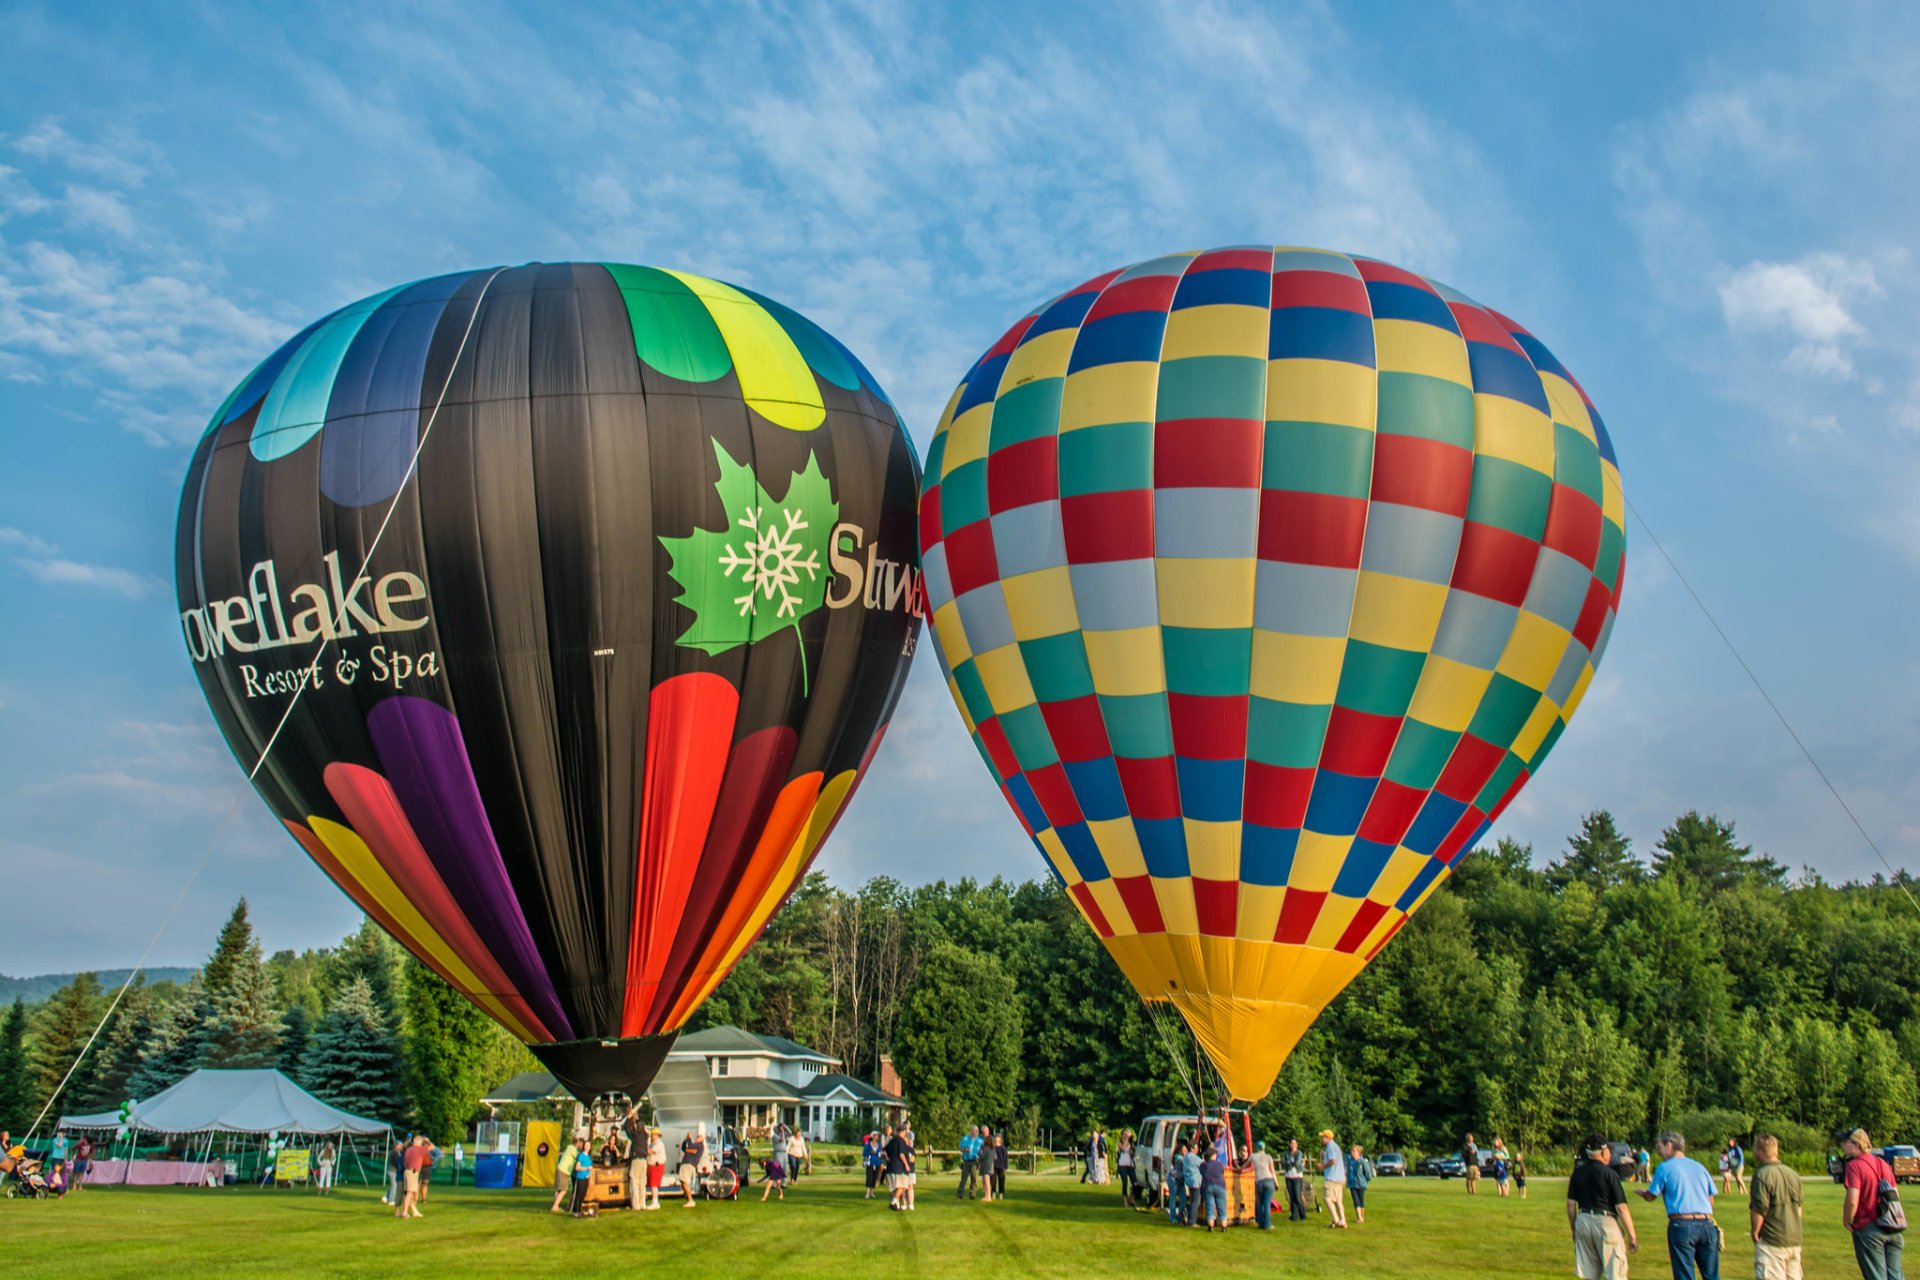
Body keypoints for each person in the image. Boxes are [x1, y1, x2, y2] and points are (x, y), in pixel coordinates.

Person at [1638, 1130, 1719, 1280]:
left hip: (1682, 1224)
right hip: (1707, 1224)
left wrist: (1643, 1193)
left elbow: (1652, 1195)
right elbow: (1711, 1197)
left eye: (1659, 1147)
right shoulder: (1699, 1166)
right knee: (1711, 1275)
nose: (1659, 1152)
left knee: (1684, 1275)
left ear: (1669, 1145)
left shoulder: (1664, 1167)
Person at [1568, 1133, 1639, 1280]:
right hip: (1605, 1222)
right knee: (1615, 1273)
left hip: (1583, 1221)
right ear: (1603, 1152)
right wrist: (1632, 1235)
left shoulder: (1577, 1173)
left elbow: (1571, 1204)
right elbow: (1621, 1208)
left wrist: (1574, 1228)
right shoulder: (1610, 1174)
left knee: (1589, 1274)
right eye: (1608, 1152)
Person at [1840, 1128, 1905, 1280]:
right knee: (1895, 1276)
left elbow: (1852, 1199)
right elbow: (1896, 1195)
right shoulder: (1883, 1163)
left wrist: (1847, 1220)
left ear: (1856, 1144)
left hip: (1870, 1229)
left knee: (1877, 1276)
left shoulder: (1854, 1166)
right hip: (1893, 1227)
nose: (1842, 1145)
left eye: (1845, 1142)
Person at [1748, 1133, 1803, 1280]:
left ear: (1760, 1151)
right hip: (1794, 1239)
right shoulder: (1793, 1174)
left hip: (1772, 1240)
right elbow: (1798, 1209)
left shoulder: (1762, 1174)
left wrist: (1755, 1232)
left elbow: (1759, 1208)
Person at [1319, 1128, 1348, 1228]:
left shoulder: (1330, 1146)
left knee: (1327, 1198)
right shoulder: (1335, 1146)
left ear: (1327, 1138)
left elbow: (1333, 1161)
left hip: (1332, 1177)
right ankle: (1343, 1220)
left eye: (1323, 1137)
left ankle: (1336, 1220)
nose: (1321, 1139)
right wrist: (1324, 1155)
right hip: (1340, 1177)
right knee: (1338, 1201)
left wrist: (1322, 1166)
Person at [398, 1134, 431, 1220]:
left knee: (409, 1193)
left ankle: (414, 1212)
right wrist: (426, 1141)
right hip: (413, 1172)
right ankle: (405, 1212)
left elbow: (405, 1162)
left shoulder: (408, 1150)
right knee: (409, 1193)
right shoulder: (419, 1149)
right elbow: (432, 1147)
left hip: (407, 1171)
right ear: (420, 1142)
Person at [1250, 1140, 1277, 1231]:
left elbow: (1245, 1166)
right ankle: (1267, 1225)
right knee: (1267, 1203)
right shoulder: (1268, 1157)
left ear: (1256, 1147)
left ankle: (1261, 1223)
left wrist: (1239, 1168)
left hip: (1259, 1182)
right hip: (1269, 1181)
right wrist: (1276, 1183)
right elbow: (1272, 1171)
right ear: (1264, 1147)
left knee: (1260, 1203)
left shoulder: (1253, 1156)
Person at [1200, 1142, 1228, 1232]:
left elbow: (1202, 1173)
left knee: (1210, 1207)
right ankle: (1223, 1227)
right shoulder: (1219, 1164)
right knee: (1222, 1207)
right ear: (1212, 1155)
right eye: (1215, 1154)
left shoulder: (1203, 1165)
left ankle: (1210, 1227)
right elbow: (1222, 1172)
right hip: (1220, 1186)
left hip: (1208, 1186)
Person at [884, 1122, 912, 1210]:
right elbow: (901, 1154)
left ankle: (896, 1205)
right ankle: (893, 1203)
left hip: (890, 1167)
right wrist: (906, 1165)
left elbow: (884, 1150)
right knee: (902, 1186)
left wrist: (887, 1158)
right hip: (899, 1168)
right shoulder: (901, 1141)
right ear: (903, 1131)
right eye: (906, 1130)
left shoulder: (892, 1140)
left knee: (893, 1188)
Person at [551, 1132, 579, 1214]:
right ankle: (555, 1206)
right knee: (564, 1190)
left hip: (560, 1169)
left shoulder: (569, 1147)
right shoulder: (572, 1149)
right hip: (564, 1171)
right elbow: (579, 1157)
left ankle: (555, 1205)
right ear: (577, 1143)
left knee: (559, 1189)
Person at [1348, 1142, 1374, 1224]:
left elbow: (1368, 1174)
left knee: (1360, 1200)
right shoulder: (1350, 1161)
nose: (1352, 1152)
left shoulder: (1362, 1162)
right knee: (1356, 1200)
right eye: (1351, 1150)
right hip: (1352, 1184)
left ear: (1358, 1152)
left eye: (1353, 1150)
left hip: (1361, 1184)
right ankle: (1359, 1217)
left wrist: (1364, 1181)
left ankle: (1361, 1217)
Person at [1284, 1137, 1308, 1221]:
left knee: (1298, 1197)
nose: (1293, 1145)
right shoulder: (1286, 1153)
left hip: (1297, 1176)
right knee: (1292, 1197)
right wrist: (1290, 1163)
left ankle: (1303, 1215)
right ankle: (1294, 1216)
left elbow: (1297, 1163)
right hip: (1288, 1176)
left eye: (1294, 1143)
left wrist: (1289, 1163)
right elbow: (1284, 1162)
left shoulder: (1299, 1153)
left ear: (1297, 1145)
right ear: (1289, 1144)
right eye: (1292, 1143)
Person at [1181, 1137, 1204, 1227]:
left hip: (1189, 1181)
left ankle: (1186, 1214)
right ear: (1192, 1149)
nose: (1197, 1149)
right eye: (1196, 1148)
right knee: (1196, 1202)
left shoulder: (1186, 1156)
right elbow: (1203, 1164)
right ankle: (1192, 1221)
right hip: (1195, 1181)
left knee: (1192, 1200)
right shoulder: (1193, 1157)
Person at [570, 1138, 595, 1217]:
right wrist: (586, 1168)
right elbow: (577, 1168)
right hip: (580, 1177)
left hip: (586, 1178)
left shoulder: (589, 1157)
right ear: (584, 1146)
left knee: (583, 1195)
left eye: (589, 1145)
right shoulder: (581, 1156)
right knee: (578, 1194)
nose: (587, 1147)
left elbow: (590, 1169)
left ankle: (580, 1210)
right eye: (586, 1145)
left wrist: (590, 1178)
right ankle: (575, 1211)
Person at [678, 1129, 702, 1208]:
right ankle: (688, 1198)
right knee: (683, 1181)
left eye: (699, 1137)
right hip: (686, 1164)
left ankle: (690, 1200)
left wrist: (689, 1138)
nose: (696, 1138)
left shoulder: (699, 1145)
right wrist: (686, 1139)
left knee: (685, 1182)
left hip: (689, 1164)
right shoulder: (695, 1145)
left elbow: (690, 1146)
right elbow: (684, 1148)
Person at [645, 1127, 666, 1210]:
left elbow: (651, 1152)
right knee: (653, 1184)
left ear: (657, 1135)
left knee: (654, 1184)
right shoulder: (652, 1144)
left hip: (656, 1165)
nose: (652, 1136)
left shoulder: (659, 1144)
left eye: (653, 1134)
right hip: (651, 1165)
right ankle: (655, 1202)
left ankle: (655, 1202)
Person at [958, 1124, 981, 1200]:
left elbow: (983, 1151)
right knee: (963, 1178)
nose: (976, 1132)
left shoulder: (980, 1141)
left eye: (977, 1130)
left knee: (974, 1178)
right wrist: (965, 1150)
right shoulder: (965, 1139)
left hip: (975, 1161)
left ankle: (972, 1194)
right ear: (971, 1131)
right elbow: (960, 1148)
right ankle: (960, 1194)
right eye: (974, 1130)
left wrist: (980, 1158)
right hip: (966, 1161)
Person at [1117, 1130, 1135, 1207]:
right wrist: (1127, 1139)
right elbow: (1123, 1148)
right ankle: (1125, 1201)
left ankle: (1132, 1199)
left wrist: (1132, 1147)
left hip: (1130, 1165)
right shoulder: (1119, 1143)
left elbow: (1133, 1153)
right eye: (1125, 1134)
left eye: (1127, 1134)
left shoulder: (1131, 1143)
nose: (1126, 1135)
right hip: (1122, 1165)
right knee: (1125, 1182)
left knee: (1134, 1182)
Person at [992, 1130, 1008, 1199]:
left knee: (1001, 1180)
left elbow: (1005, 1158)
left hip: (1001, 1166)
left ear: (1000, 1139)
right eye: (995, 1138)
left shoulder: (1003, 1148)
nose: (996, 1139)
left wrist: (1005, 1167)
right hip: (993, 1166)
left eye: (998, 1138)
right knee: (993, 1181)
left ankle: (1001, 1194)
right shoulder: (992, 1147)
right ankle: (993, 1193)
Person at [1464, 1132, 1481, 1197]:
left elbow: (1476, 1154)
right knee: (1469, 1178)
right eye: (1470, 1138)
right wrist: (1470, 1152)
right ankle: (1469, 1191)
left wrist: (1478, 1164)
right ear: (1467, 1139)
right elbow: (1464, 1154)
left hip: (1475, 1163)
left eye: (1472, 1138)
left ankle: (1474, 1191)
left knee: (1474, 1178)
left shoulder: (1474, 1145)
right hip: (1469, 1164)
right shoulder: (1465, 1146)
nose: (1472, 1139)